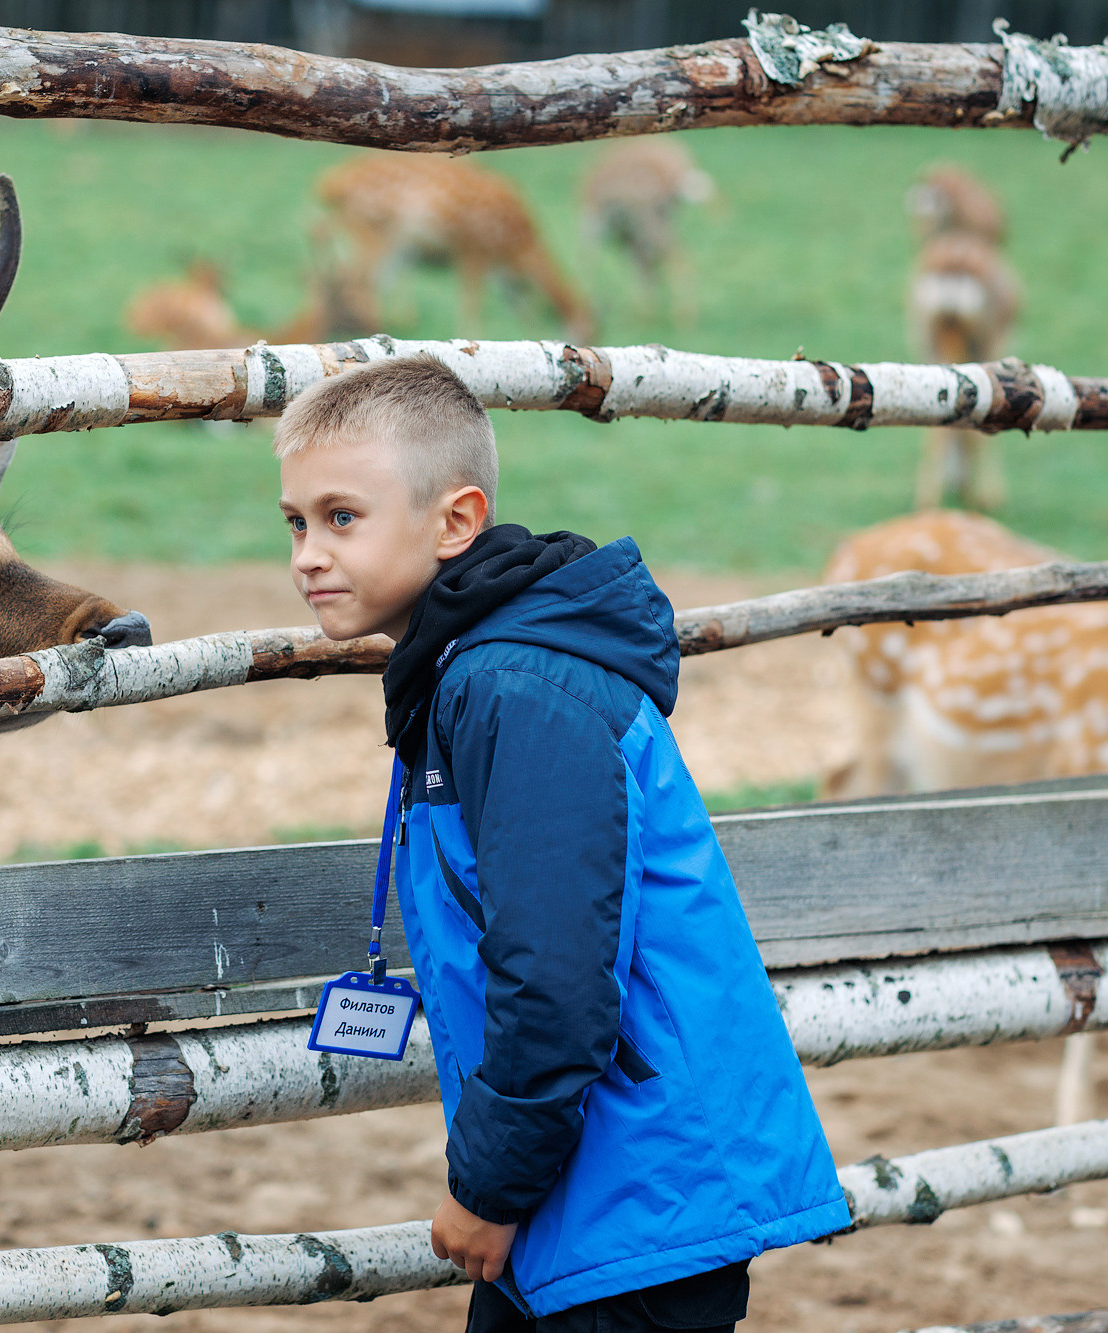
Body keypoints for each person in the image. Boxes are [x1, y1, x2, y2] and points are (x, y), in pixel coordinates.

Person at [274, 355, 849, 1333]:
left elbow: (555, 974)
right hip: (599, 1194)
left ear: (455, 520)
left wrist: (490, 1186)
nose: (306, 555)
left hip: (628, 1201)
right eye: (294, 522)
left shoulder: (515, 690)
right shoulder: (475, 671)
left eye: (341, 517)